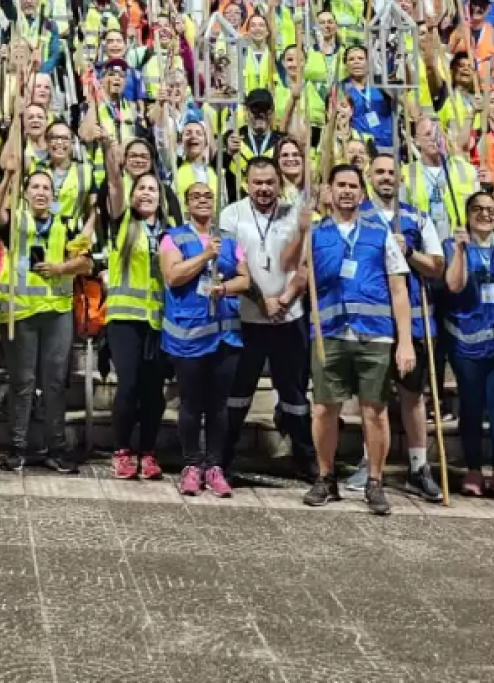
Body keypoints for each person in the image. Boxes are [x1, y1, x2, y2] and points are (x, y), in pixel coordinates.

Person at [303, 163, 417, 517]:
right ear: (330, 191)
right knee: (324, 408)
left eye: (353, 185)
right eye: (341, 185)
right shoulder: (316, 233)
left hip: (376, 334)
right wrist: (299, 231)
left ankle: (375, 481)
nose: (347, 191)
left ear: (362, 193)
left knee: (375, 411)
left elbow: (399, 289)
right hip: (330, 331)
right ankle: (325, 477)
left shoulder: (381, 233)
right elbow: (297, 271)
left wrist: (405, 341)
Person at [219, 156, 315, 481]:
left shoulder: (295, 216)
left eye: (270, 182)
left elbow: (305, 266)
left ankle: (305, 458)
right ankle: (222, 458)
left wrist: (284, 301)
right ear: (247, 183)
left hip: (290, 318)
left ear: (279, 183)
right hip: (246, 319)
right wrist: (263, 302)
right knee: (237, 393)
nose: (264, 188)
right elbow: (232, 267)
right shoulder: (231, 215)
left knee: (294, 396)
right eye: (257, 182)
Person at [158, 176, 251, 495]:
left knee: (218, 406)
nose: (202, 200)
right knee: (191, 404)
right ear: (186, 203)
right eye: (195, 196)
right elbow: (173, 275)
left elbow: (245, 279)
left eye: (207, 196)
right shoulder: (174, 238)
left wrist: (224, 288)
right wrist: (205, 257)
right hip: (188, 336)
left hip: (225, 336)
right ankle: (190, 464)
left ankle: (214, 465)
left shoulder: (228, 238)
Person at [0, 167, 89, 473]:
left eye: (45, 188)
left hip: (57, 312)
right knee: (22, 383)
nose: (40, 192)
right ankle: (17, 447)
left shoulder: (66, 222)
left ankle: (56, 448)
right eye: (34, 186)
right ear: (25, 193)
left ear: (53, 194)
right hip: (21, 312)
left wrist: (61, 268)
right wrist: (9, 176)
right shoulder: (17, 221)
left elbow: (86, 262)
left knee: (55, 384)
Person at [366, 151, 445, 503]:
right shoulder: (359, 216)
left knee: (414, 398)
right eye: (379, 171)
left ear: (400, 178)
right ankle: (370, 465)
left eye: (391, 172)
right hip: (372, 319)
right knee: (372, 398)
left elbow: (437, 267)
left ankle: (418, 467)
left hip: (414, 321)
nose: (385, 177)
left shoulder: (416, 217)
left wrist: (410, 251)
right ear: (369, 176)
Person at [442, 191, 494, 499]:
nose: (485, 214)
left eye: (491, 210)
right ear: (467, 214)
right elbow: (454, 285)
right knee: (471, 408)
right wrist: (461, 250)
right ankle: (474, 470)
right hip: (467, 341)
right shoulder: (453, 246)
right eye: (477, 209)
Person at [100, 140, 169, 480]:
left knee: (153, 391)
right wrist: (107, 150)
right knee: (128, 384)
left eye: (152, 189)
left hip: (157, 321)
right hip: (124, 319)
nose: (146, 194)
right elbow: (114, 182)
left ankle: (149, 451)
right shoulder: (121, 221)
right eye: (140, 188)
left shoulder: (170, 232)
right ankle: (123, 449)